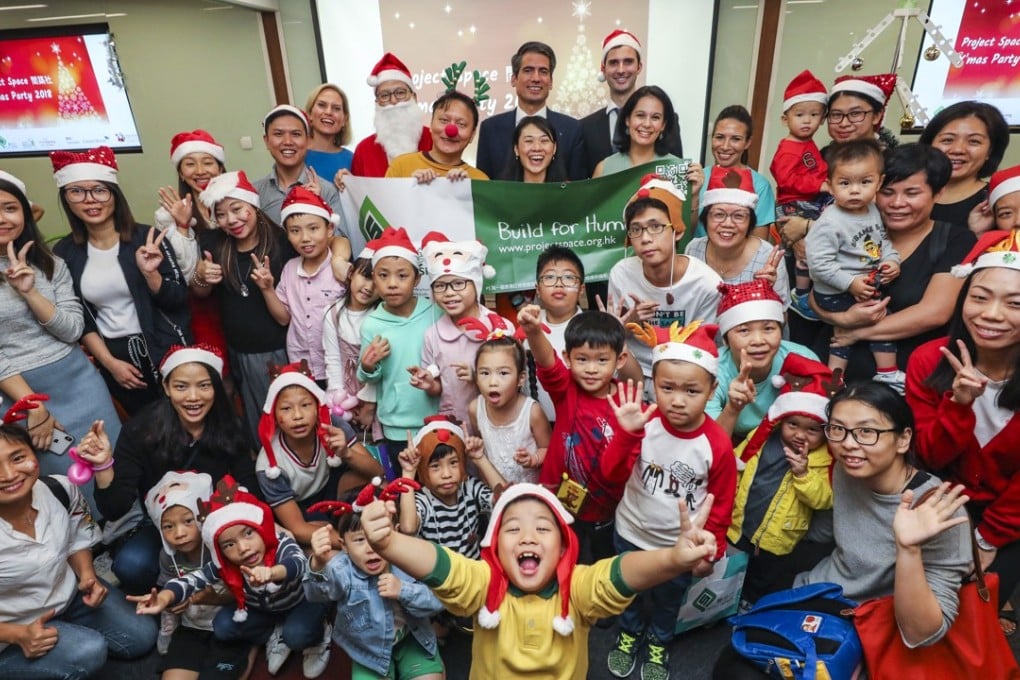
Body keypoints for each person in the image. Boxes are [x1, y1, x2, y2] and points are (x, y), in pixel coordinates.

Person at [715, 383, 973, 676]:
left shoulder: (937, 508)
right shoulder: (844, 470)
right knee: (736, 664)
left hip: (876, 622)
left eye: (867, 431)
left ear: (903, 440)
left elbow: (922, 634)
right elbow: (828, 530)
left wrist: (908, 548)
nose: (848, 443)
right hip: (823, 593)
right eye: (838, 429)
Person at [359, 482, 719, 679]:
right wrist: (389, 543)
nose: (528, 537)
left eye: (543, 529)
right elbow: (443, 567)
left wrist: (672, 559)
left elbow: (620, 574)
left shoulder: (577, 588)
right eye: (513, 529)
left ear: (563, 548)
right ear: (495, 548)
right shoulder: (484, 583)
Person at [600, 324, 735, 680]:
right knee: (628, 592)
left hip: (678, 547)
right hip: (631, 532)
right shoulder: (644, 422)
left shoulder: (716, 443)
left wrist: (711, 552)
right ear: (653, 384)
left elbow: (721, 503)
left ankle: (659, 640)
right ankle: (629, 632)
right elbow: (610, 474)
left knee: (669, 600)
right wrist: (627, 435)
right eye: (667, 388)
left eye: (691, 390)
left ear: (712, 390)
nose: (677, 400)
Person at [906, 219, 1020, 636]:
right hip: (942, 500)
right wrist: (959, 405)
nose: (991, 315)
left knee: (976, 618)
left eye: (1015, 303)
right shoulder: (928, 359)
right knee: (924, 608)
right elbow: (929, 456)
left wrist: (988, 540)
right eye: (980, 297)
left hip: (1009, 515)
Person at [84, 345, 257, 595]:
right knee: (131, 565)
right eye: (181, 387)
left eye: (204, 386)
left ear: (216, 388)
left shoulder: (230, 425)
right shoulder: (141, 430)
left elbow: (249, 486)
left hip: (221, 523)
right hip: (165, 526)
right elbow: (115, 508)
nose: (193, 397)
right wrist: (102, 465)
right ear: (166, 387)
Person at [0, 409, 156, 678]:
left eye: (18, 458)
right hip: (13, 625)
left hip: (67, 596)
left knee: (142, 635)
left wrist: (87, 575)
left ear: (33, 455)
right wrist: (17, 634)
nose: (9, 474)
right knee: (89, 651)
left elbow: (77, 536)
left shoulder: (59, 489)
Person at [0, 172, 121, 515]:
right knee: (62, 477)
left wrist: (30, 293)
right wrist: (32, 406)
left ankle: (130, 529)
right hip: (20, 395)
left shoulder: (52, 263)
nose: (2, 218)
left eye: (9, 208)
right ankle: (87, 541)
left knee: (109, 459)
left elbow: (72, 330)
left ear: (24, 213)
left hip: (79, 382)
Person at [131, 476, 332, 678]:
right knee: (223, 626)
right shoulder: (226, 561)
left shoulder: (279, 542)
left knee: (296, 636)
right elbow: (193, 579)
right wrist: (164, 597)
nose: (243, 548)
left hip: (302, 601)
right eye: (229, 544)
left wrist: (272, 572)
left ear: (261, 528)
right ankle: (274, 632)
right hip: (265, 610)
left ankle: (320, 634)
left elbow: (297, 563)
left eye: (248, 533)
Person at [811, 144, 976, 383]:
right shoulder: (854, 227)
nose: (897, 203)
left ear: (938, 193)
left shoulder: (955, 240)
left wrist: (856, 332)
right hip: (832, 370)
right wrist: (842, 320)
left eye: (912, 193)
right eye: (887, 192)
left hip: (904, 382)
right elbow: (818, 290)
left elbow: (935, 313)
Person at [52, 146, 191, 415]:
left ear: (114, 194)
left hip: (164, 346)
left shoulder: (147, 238)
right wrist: (109, 363)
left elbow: (179, 299)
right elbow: (80, 318)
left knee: (186, 418)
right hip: (115, 357)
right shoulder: (65, 252)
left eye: (99, 190)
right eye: (77, 191)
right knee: (145, 426)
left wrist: (151, 275)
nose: (90, 200)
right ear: (66, 198)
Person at [518, 307, 629, 563]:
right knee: (557, 562)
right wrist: (533, 331)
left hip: (606, 512)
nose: (591, 369)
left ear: (620, 360)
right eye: (582, 359)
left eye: (602, 360)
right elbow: (547, 361)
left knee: (599, 569)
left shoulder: (628, 403)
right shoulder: (566, 388)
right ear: (568, 358)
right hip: (556, 502)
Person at [193, 171, 293, 439]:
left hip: (276, 348)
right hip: (237, 350)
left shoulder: (281, 242)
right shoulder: (213, 243)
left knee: (282, 416)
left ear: (253, 205)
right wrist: (200, 276)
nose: (231, 220)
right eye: (221, 214)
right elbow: (200, 293)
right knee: (254, 418)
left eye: (237, 209)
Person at [728, 354, 834, 605]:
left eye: (812, 429)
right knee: (731, 573)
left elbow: (824, 500)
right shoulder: (762, 438)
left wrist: (803, 474)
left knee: (763, 579)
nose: (800, 434)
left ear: (825, 431)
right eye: (793, 424)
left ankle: (751, 607)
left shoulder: (824, 459)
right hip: (740, 523)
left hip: (778, 537)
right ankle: (726, 605)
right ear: (781, 419)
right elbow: (737, 463)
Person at [304, 495, 444, 680]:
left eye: (379, 536)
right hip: (368, 652)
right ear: (344, 546)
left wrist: (403, 590)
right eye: (359, 540)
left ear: (396, 533)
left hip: (412, 638)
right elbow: (315, 594)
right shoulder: (342, 568)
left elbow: (438, 601)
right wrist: (317, 565)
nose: (371, 548)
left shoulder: (409, 558)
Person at [805, 139, 903, 388]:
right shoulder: (830, 223)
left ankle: (834, 379)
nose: (855, 191)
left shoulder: (872, 211)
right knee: (881, 319)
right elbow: (819, 265)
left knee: (849, 333)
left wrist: (891, 260)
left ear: (879, 183)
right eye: (845, 183)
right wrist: (850, 283)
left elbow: (881, 242)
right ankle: (887, 373)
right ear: (830, 186)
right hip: (835, 292)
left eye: (865, 182)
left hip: (862, 285)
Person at [255, 364, 383, 547]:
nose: (297, 415)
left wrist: (346, 453)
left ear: (317, 406)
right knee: (322, 542)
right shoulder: (269, 464)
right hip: (303, 509)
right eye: (286, 409)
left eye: (305, 405)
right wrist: (350, 543)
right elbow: (298, 528)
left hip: (332, 490)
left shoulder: (332, 425)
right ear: (274, 414)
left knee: (376, 485)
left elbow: (377, 472)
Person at [609, 174, 722, 382]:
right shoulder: (621, 274)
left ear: (677, 231)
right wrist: (630, 323)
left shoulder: (706, 283)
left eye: (656, 227)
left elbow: (704, 348)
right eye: (636, 229)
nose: (645, 238)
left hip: (684, 374)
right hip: (632, 370)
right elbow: (615, 340)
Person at [143, 471, 253, 679]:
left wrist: (215, 599)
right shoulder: (167, 556)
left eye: (188, 521)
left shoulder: (224, 546)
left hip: (229, 621)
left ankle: (253, 646)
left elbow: (250, 593)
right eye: (168, 526)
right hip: (191, 627)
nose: (179, 533)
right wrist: (169, 603)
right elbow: (168, 586)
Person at [776, 73, 898, 251]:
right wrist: (794, 239)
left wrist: (807, 227)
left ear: (877, 116)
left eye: (855, 114)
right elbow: (789, 196)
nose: (844, 123)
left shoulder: (893, 163)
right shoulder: (825, 155)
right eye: (836, 115)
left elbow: (887, 221)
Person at [357, 227, 438, 477]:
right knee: (408, 485)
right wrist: (367, 366)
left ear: (417, 279)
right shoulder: (372, 324)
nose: (392, 284)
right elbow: (369, 377)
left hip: (436, 417)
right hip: (396, 426)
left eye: (402, 276)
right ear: (374, 278)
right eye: (383, 275)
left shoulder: (435, 313)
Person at [411, 232, 511, 430]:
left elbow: (515, 381)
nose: (449, 293)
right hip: (455, 428)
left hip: (497, 426)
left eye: (458, 283)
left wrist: (479, 376)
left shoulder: (500, 328)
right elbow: (440, 387)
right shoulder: (432, 335)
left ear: (476, 284)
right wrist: (430, 384)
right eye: (440, 286)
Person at [154, 130, 231, 365]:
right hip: (201, 307)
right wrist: (183, 226)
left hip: (238, 298)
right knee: (216, 369)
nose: (200, 171)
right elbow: (184, 274)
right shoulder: (167, 214)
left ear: (220, 167)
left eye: (207, 162)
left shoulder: (236, 202)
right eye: (190, 164)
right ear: (180, 172)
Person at [708, 279, 819, 442]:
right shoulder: (711, 370)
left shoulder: (804, 360)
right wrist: (732, 408)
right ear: (725, 339)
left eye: (768, 329)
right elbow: (710, 445)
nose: (758, 341)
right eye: (744, 331)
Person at [253, 186, 345, 383]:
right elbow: (283, 318)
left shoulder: (341, 268)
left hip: (339, 366)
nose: (305, 238)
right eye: (295, 231)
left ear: (330, 229)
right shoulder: (290, 268)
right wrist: (267, 289)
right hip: (302, 366)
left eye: (313, 228)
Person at [768, 70, 831, 315]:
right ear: (786, 119)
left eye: (814, 115)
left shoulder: (807, 144)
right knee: (806, 250)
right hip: (794, 204)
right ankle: (801, 294)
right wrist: (818, 185)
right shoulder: (788, 148)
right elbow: (785, 179)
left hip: (810, 202)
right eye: (800, 115)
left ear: (822, 118)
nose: (807, 121)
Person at [475, 41, 585, 181]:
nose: (536, 78)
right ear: (514, 79)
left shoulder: (572, 129)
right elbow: (483, 186)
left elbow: (578, 188)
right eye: (528, 70)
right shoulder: (490, 128)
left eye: (543, 72)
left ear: (551, 82)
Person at [580, 29, 683, 177]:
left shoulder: (668, 120)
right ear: (603, 68)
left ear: (639, 66)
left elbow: (675, 174)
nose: (621, 70)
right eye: (614, 63)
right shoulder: (584, 127)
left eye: (628, 62)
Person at [395, 416, 499, 560]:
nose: (446, 474)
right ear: (423, 469)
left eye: (453, 463)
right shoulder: (423, 500)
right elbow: (408, 529)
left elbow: (506, 498)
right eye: (435, 466)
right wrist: (408, 473)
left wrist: (480, 459)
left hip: (473, 570)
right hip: (439, 574)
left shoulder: (470, 487)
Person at [686, 165, 789, 308]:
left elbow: (782, 318)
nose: (728, 224)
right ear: (705, 219)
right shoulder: (693, 250)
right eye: (719, 214)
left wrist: (768, 294)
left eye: (738, 216)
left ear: (750, 222)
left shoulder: (769, 258)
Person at [253, 104, 349, 242]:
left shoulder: (327, 191)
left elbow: (341, 243)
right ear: (267, 141)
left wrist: (320, 203)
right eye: (278, 134)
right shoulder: (255, 193)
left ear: (308, 140)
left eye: (296, 134)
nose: (287, 141)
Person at [469, 334, 551, 484]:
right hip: (495, 491)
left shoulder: (532, 412)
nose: (492, 382)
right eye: (485, 373)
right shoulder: (475, 409)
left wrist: (533, 459)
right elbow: (483, 448)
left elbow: (549, 449)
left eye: (503, 373)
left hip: (528, 492)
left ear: (520, 379)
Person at [918, 101, 1009, 233]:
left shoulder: (998, 202)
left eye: (974, 141)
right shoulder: (902, 195)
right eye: (947, 140)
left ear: (990, 151)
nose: (958, 149)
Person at [523, 245, 585, 422]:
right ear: (537, 289)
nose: (559, 283)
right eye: (549, 277)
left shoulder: (592, 328)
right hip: (535, 428)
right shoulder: (526, 323)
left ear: (581, 289)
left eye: (568, 277)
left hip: (581, 426)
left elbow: (631, 378)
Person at [322, 246, 380, 436]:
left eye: (377, 282)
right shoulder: (332, 312)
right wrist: (339, 399)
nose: (369, 287)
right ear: (351, 273)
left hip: (376, 395)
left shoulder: (381, 317)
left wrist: (368, 404)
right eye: (365, 276)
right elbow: (332, 358)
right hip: (345, 397)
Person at [696, 106, 776, 240]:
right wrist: (693, 197)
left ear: (747, 143)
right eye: (719, 137)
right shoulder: (698, 179)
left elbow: (759, 243)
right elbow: (684, 233)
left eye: (736, 139)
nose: (725, 146)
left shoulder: (760, 185)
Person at [350, 52, 432, 179]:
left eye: (400, 93)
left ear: (414, 97)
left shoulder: (434, 140)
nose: (393, 101)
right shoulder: (363, 150)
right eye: (384, 95)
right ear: (377, 103)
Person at [385, 90, 488, 182]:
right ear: (431, 124)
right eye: (444, 120)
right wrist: (408, 186)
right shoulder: (401, 166)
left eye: (461, 124)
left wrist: (468, 190)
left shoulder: (480, 180)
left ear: (472, 134)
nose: (451, 130)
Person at [591, 86, 685, 178]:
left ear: (663, 125)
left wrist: (692, 188)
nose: (647, 124)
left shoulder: (676, 169)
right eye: (640, 115)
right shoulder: (604, 169)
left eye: (655, 117)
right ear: (627, 119)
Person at [303, 83, 354, 182]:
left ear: (345, 119)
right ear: (309, 114)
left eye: (336, 108)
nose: (328, 112)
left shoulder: (352, 160)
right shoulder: (296, 154)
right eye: (322, 105)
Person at [499, 115, 567, 183]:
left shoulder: (567, 188)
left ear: (554, 148)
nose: (537, 148)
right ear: (516, 149)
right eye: (529, 141)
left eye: (544, 141)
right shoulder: (500, 189)